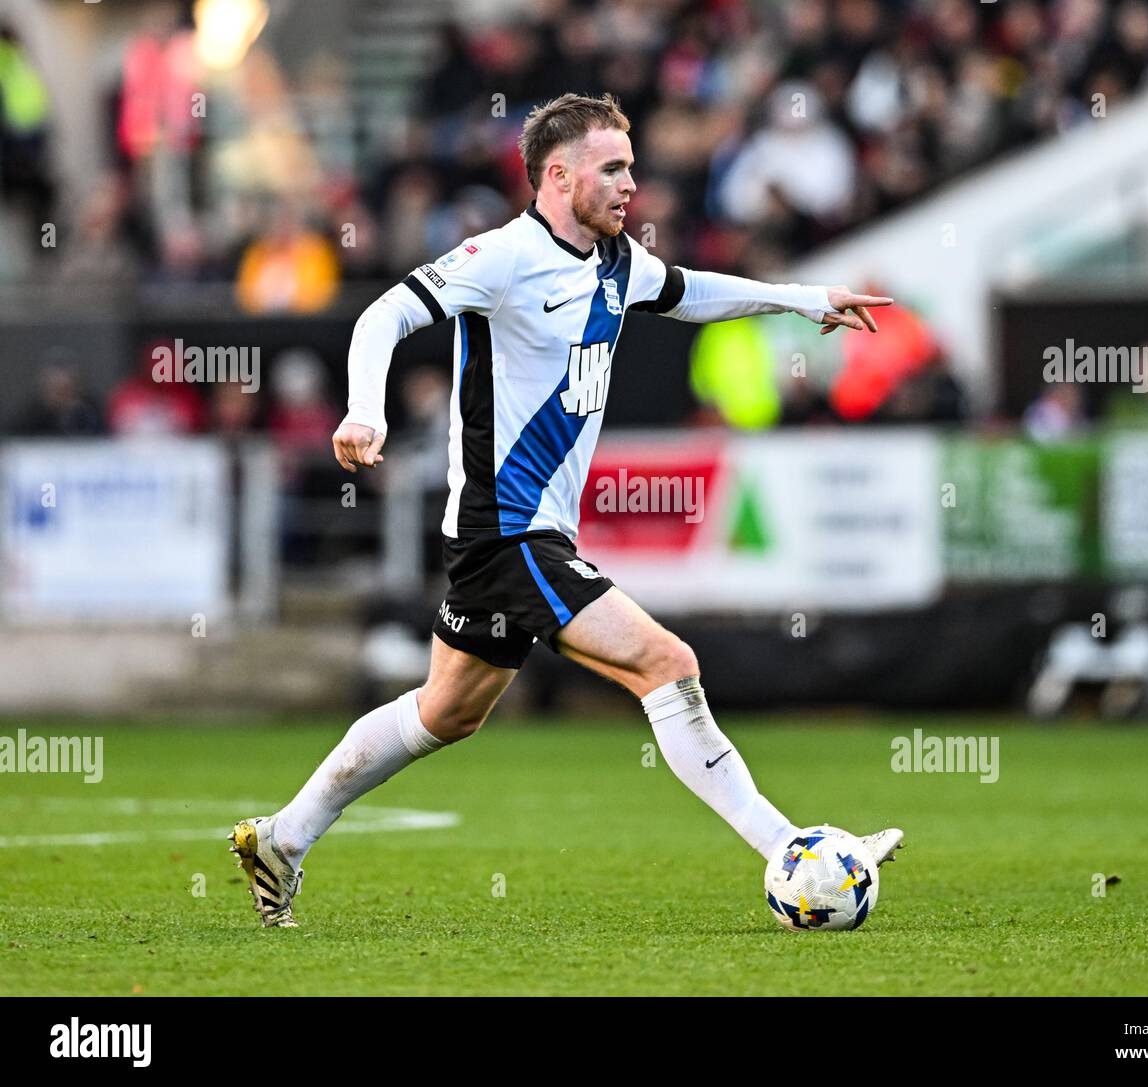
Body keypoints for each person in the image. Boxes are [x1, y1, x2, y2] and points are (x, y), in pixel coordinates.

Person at [229, 93, 902, 928]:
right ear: (558, 175)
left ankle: (284, 837)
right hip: (506, 530)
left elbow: (694, 292)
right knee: (667, 661)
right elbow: (385, 312)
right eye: (612, 168)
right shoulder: (503, 256)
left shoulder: (620, 262)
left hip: (521, 535)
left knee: (448, 710)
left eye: (631, 166)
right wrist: (364, 407)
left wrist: (802, 297)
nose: (631, 184)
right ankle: (792, 849)